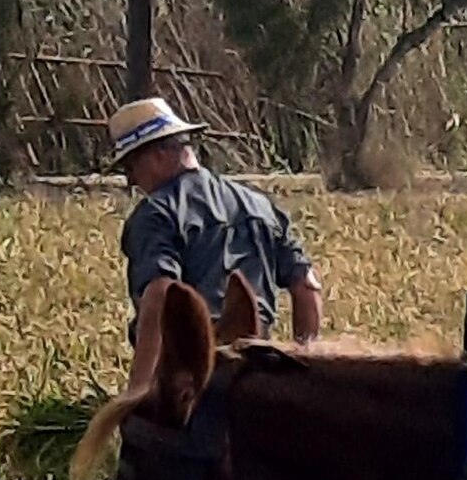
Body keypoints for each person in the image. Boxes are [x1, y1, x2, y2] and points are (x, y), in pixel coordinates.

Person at [105, 96, 322, 341]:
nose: (131, 181)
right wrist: (302, 360)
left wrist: (141, 379)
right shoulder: (260, 204)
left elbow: (160, 295)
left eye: (130, 168)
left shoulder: (156, 213)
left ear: (158, 154)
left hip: (196, 371)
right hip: (258, 368)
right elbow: (306, 285)